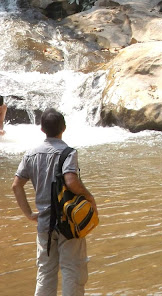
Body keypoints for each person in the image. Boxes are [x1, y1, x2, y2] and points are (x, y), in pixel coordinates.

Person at [12, 108, 98, 296]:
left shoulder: (30, 154)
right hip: (69, 222)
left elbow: (16, 186)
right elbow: (71, 181)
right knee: (72, 271)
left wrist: (29, 214)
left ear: (42, 129)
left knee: (45, 273)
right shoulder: (68, 153)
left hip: (44, 224)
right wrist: (89, 198)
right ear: (64, 128)